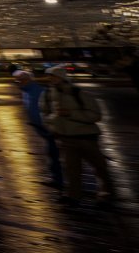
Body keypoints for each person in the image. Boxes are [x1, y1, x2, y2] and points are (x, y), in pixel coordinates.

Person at [40, 72, 115, 204]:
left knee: (99, 167)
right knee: (71, 169)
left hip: (86, 137)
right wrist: (52, 128)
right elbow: (45, 114)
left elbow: (95, 115)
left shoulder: (79, 93)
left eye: (54, 76)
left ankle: (106, 193)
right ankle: (73, 195)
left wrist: (71, 113)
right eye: (50, 76)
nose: (51, 79)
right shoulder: (47, 95)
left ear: (63, 78)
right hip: (65, 138)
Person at [12, 69, 64, 186]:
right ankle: (57, 179)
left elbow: (50, 110)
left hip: (50, 129)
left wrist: (51, 125)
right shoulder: (26, 91)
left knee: (55, 154)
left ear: (29, 80)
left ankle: (61, 181)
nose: (18, 82)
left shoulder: (39, 91)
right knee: (52, 153)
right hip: (42, 128)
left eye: (21, 80)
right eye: (17, 80)